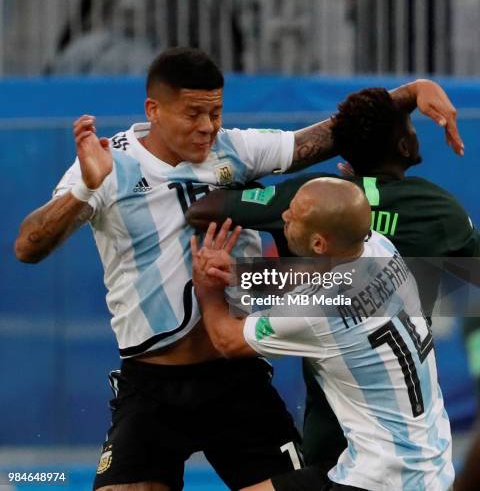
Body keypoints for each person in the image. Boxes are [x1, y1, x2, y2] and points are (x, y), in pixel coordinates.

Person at [14, 48, 461, 491]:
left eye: (216, 112)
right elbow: (27, 247)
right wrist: (86, 191)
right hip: (151, 384)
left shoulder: (237, 149)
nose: (208, 127)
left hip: (237, 381)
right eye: (193, 114)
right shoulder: (106, 165)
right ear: (154, 109)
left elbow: (329, 135)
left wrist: (410, 92)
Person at [186, 86, 480, 477]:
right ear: (403, 146)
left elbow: (203, 209)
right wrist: (414, 90)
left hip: (332, 400)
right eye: (409, 126)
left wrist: (239, 278)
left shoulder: (309, 202)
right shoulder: (423, 221)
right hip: (408, 410)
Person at [190, 180, 455, 491]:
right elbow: (319, 273)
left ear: (318, 244)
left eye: (294, 215)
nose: (284, 215)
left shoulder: (315, 310)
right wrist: (241, 272)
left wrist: (208, 287)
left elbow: (227, 340)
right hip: (433, 464)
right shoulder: (379, 247)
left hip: (379, 479)